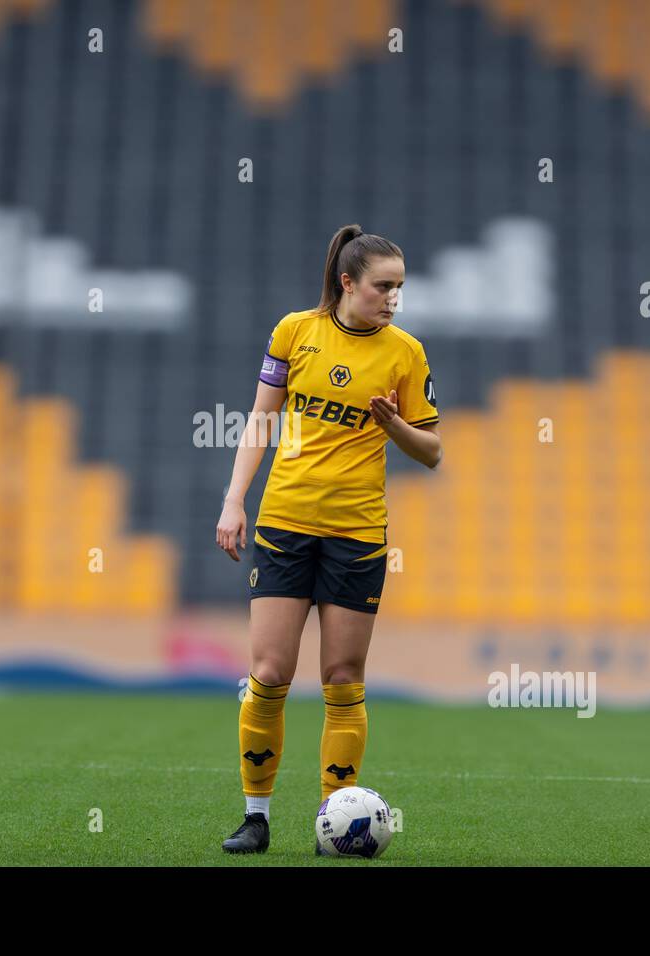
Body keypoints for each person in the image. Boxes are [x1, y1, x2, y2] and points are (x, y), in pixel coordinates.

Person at [214, 224, 442, 854]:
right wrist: (235, 501)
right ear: (348, 283)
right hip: (284, 523)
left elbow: (432, 452)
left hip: (357, 535)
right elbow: (260, 419)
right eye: (382, 286)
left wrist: (395, 426)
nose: (393, 298)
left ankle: (331, 822)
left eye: (399, 287)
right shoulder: (295, 331)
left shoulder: (406, 353)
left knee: (342, 680)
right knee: (269, 673)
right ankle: (255, 816)